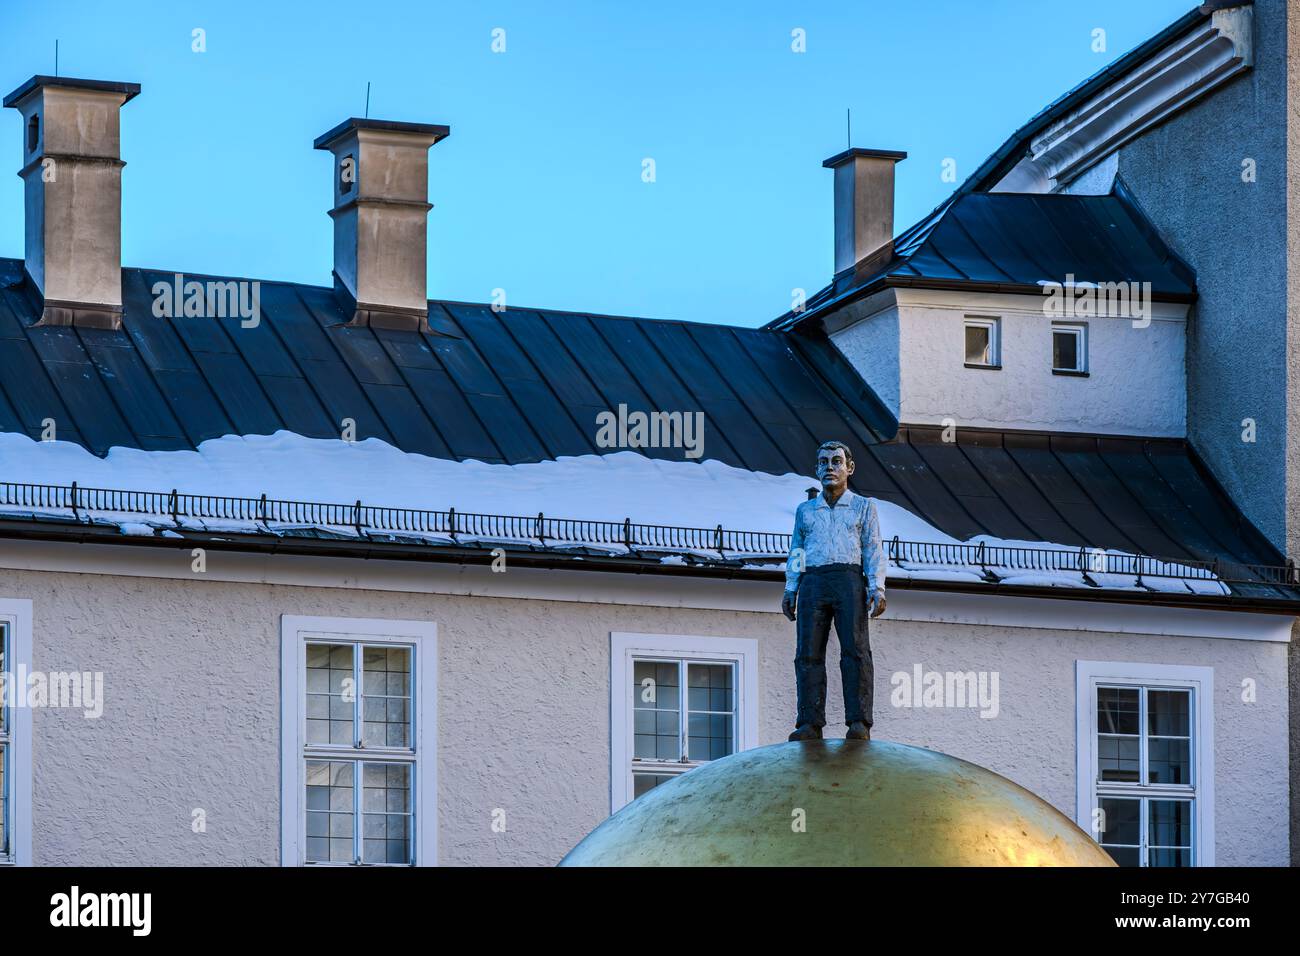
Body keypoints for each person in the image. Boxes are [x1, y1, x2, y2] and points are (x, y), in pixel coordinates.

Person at [781, 440, 887, 741]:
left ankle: (859, 721)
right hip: (813, 581)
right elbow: (797, 551)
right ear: (816, 468)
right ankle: (809, 722)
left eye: (836, 461)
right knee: (807, 653)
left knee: (854, 650)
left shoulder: (863, 507)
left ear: (849, 468)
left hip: (848, 578)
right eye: (823, 462)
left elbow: (872, 549)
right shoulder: (806, 511)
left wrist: (876, 587)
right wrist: (792, 588)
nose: (829, 467)